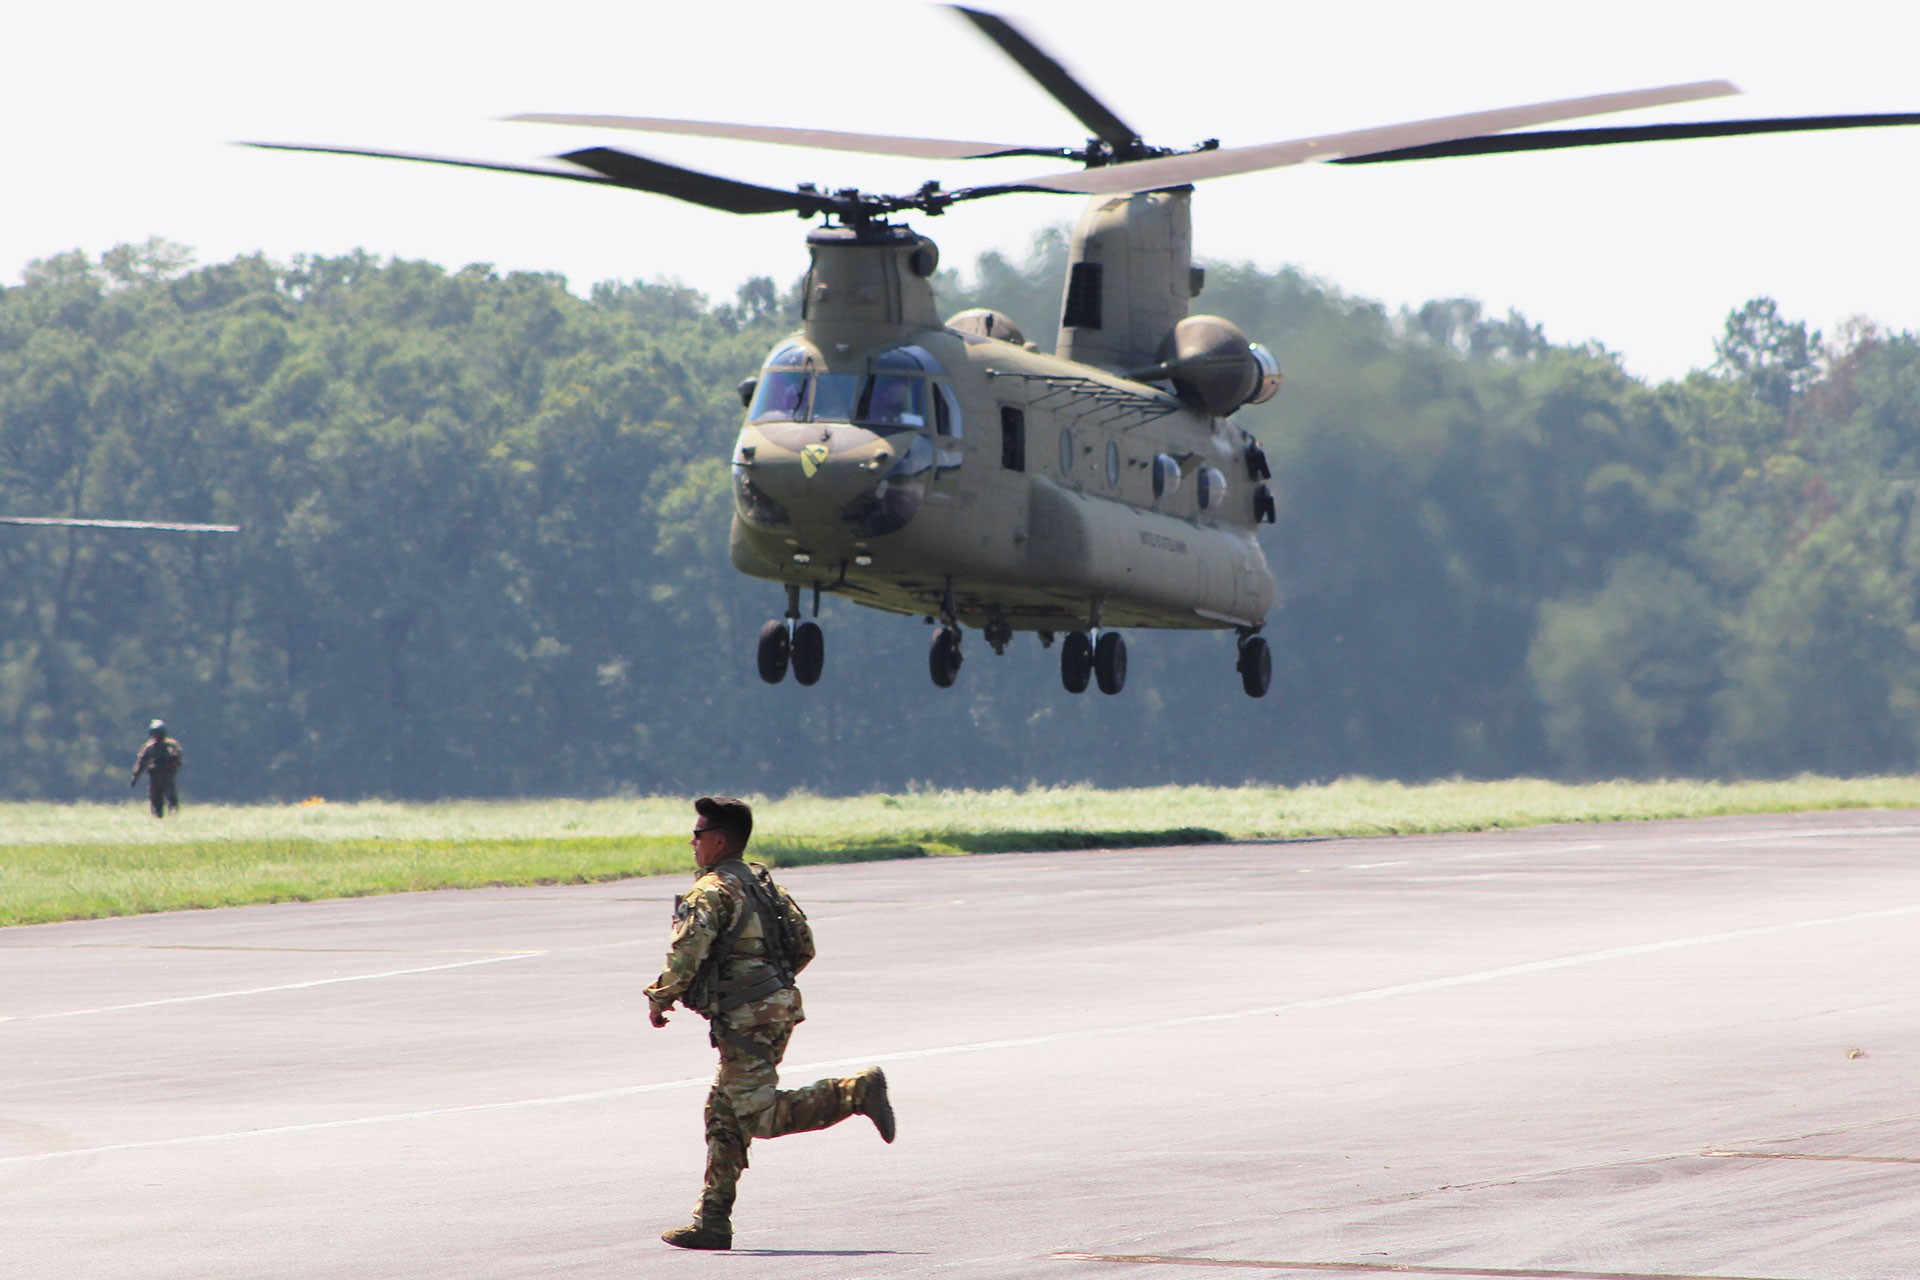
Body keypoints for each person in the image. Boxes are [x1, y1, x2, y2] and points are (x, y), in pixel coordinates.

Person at [645, 796, 894, 1251]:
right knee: (724, 1113)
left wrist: (661, 997)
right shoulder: (763, 886)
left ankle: (854, 1092)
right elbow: (804, 945)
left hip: (748, 1017)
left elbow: (686, 954)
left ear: (718, 841)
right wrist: (771, 988)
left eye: (698, 835)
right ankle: (713, 1220)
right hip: (771, 1006)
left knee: (754, 1114)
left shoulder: (711, 890)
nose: (692, 842)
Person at [130, 719, 184, 818]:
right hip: (155, 777)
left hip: (168, 776)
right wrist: (135, 776)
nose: (158, 735)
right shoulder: (149, 747)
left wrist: (173, 765)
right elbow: (142, 762)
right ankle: (157, 817)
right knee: (155, 800)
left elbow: (178, 760)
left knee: (172, 799)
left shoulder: (171, 746)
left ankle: (173, 817)